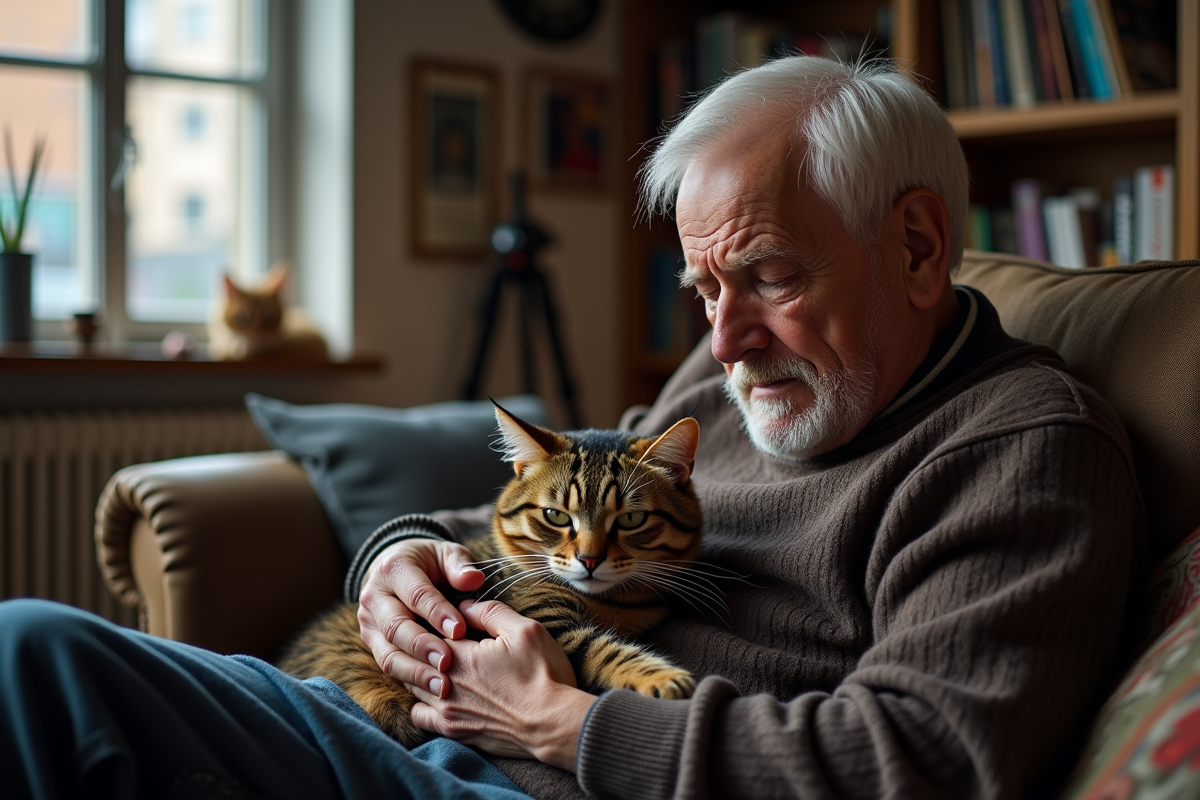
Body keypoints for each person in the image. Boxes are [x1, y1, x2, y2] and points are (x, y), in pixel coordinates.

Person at [0, 55, 1140, 800]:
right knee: (33, 648)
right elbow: (535, 510)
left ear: (919, 247)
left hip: (531, 777)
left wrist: (560, 724)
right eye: (704, 290)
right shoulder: (740, 377)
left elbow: (919, 763)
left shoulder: (1020, 449)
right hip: (434, 731)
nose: (725, 341)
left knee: (39, 670)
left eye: (769, 275)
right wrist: (399, 556)